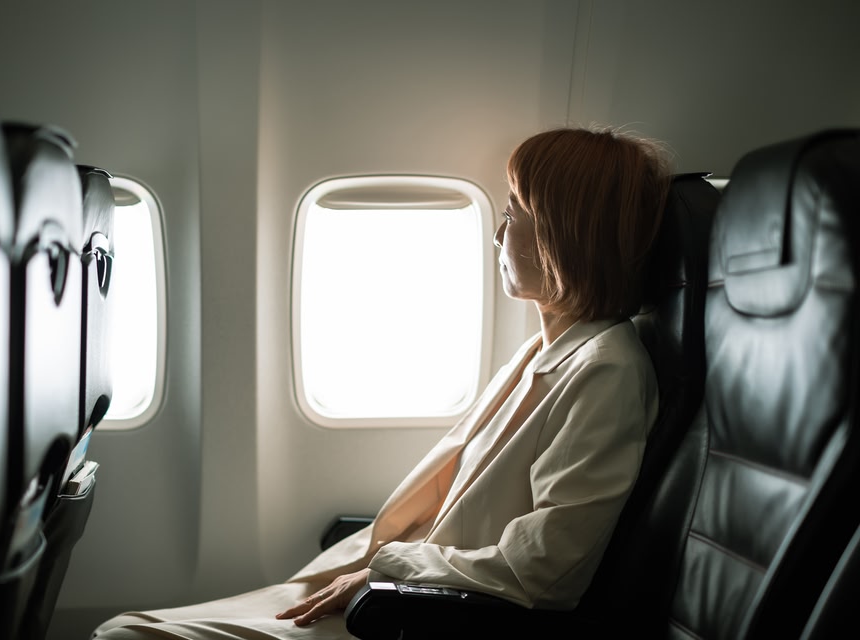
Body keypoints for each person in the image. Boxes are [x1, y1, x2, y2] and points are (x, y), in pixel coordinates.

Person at [92, 125, 672, 639]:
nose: (498, 235)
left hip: (424, 612)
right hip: (396, 590)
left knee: (124, 637)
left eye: (513, 213)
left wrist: (388, 573)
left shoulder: (606, 371)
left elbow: (544, 569)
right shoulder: (541, 354)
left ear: (563, 235)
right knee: (124, 628)